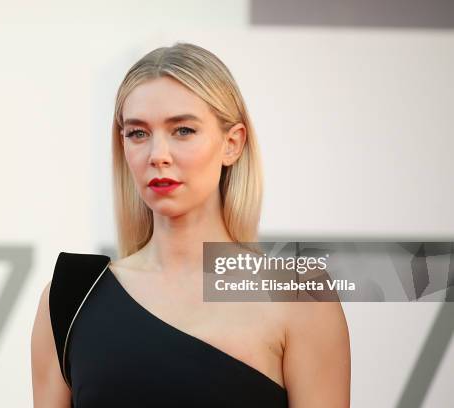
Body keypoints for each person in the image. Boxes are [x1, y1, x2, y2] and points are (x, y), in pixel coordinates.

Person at [31, 42, 351, 407]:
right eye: (138, 133)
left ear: (232, 144)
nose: (158, 156)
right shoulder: (71, 298)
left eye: (182, 130)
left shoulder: (301, 298)